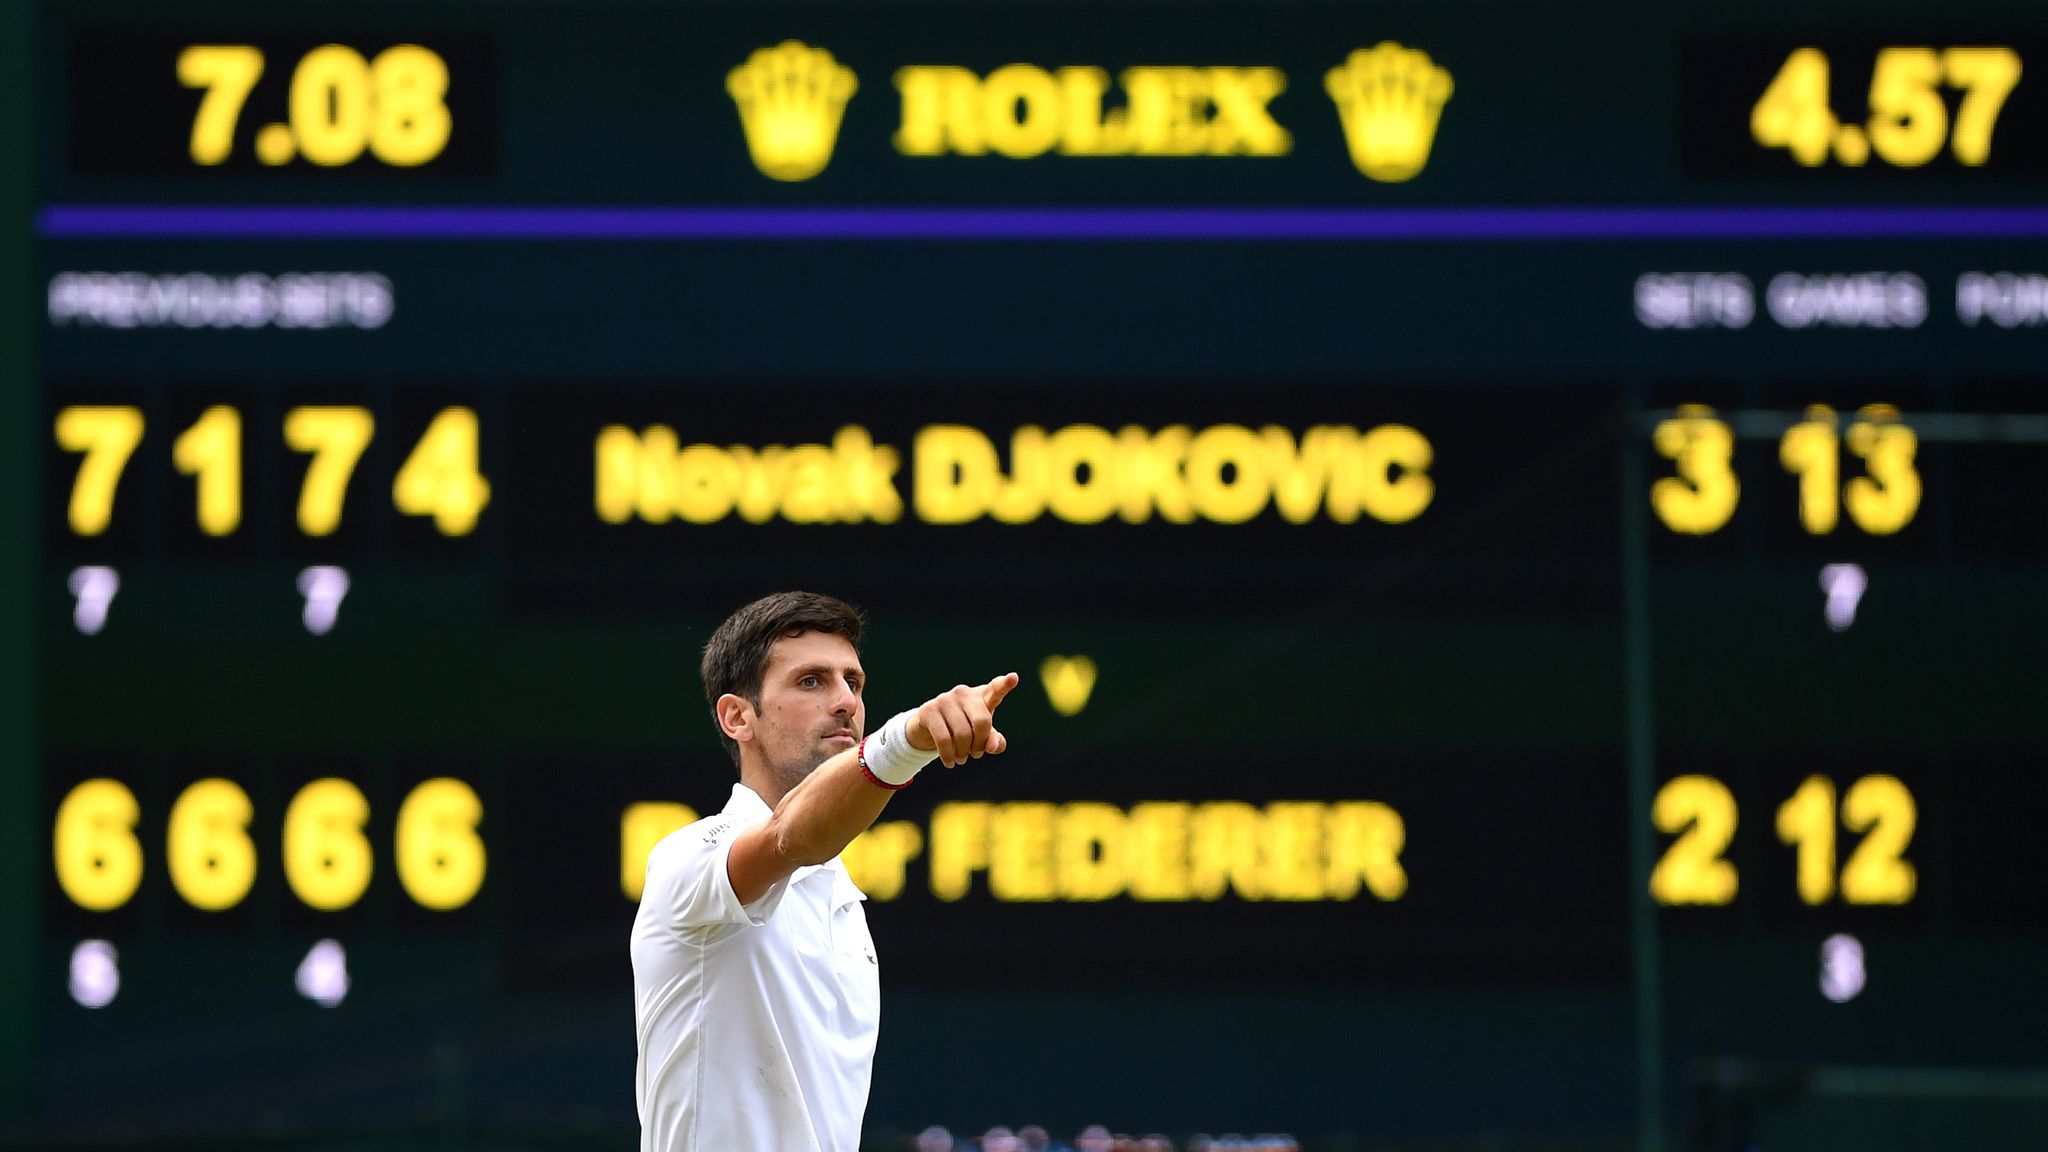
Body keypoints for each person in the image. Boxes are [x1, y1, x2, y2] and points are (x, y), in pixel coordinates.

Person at [631, 591, 1018, 1152]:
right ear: (738, 716)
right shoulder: (685, 858)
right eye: (811, 681)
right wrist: (905, 741)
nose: (845, 702)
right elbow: (790, 836)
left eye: (853, 682)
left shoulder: (844, 901)